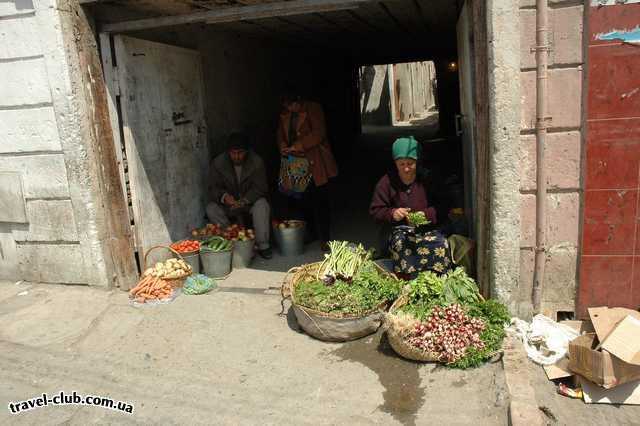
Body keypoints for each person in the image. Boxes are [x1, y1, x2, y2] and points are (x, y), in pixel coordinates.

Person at [369, 136, 450, 279]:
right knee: (402, 245)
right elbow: (375, 211)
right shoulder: (386, 182)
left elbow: (444, 205)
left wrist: (425, 215)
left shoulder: (428, 178)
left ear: (417, 162)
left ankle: (436, 280)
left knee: (441, 244)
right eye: (402, 164)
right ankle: (406, 281)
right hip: (399, 231)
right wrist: (393, 213)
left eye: (410, 163)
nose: (406, 168)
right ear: (395, 163)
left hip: (428, 229)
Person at [277, 92, 338, 251]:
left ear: (299, 100)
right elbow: (280, 134)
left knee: (321, 200)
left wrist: (298, 146)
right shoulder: (286, 113)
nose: (290, 108)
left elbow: (319, 134)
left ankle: (325, 238)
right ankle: (310, 233)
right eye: (287, 106)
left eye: (292, 105)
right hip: (295, 163)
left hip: (315, 162)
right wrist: (283, 145)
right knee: (301, 200)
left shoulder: (313, 108)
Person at [207, 132, 272, 259]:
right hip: (229, 204)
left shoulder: (256, 162)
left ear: (247, 151)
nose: (236, 156)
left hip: (249, 203)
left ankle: (263, 245)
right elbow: (212, 188)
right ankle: (230, 240)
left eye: (240, 152)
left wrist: (245, 200)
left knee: (262, 205)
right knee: (211, 208)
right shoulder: (218, 163)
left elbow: (261, 188)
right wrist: (224, 197)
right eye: (233, 153)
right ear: (228, 152)